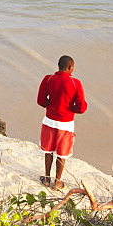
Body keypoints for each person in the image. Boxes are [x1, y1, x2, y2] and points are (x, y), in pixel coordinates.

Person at [36, 55, 87, 190]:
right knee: (62, 153)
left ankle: (47, 178)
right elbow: (81, 107)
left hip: (49, 120)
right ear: (70, 67)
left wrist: (50, 106)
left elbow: (41, 100)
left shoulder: (48, 79)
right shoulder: (75, 83)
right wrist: (71, 109)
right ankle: (57, 182)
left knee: (48, 150)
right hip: (65, 122)